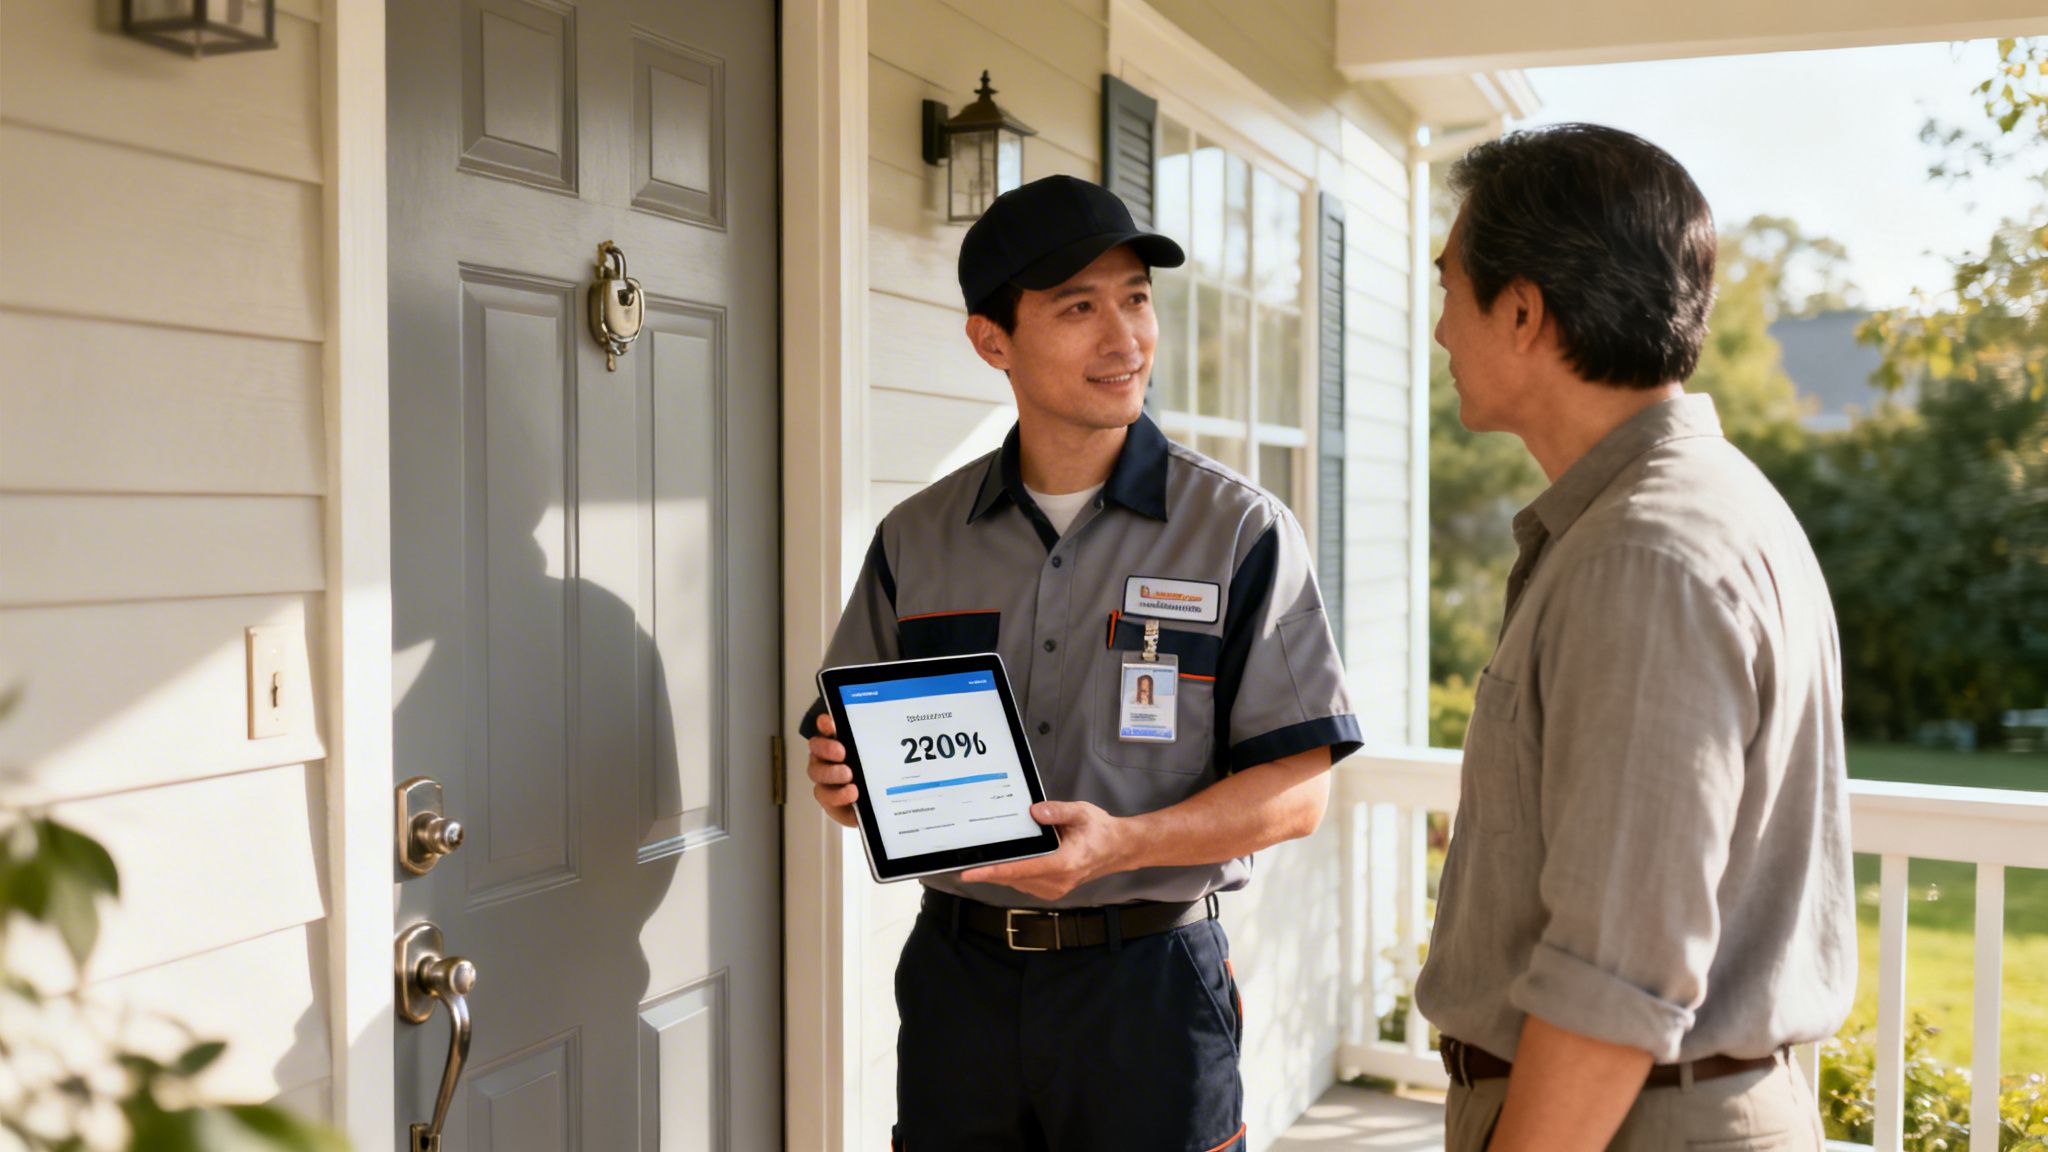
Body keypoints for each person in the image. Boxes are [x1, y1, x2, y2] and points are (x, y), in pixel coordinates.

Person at [799, 174, 1361, 1150]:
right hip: (956, 985)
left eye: (1136, 298)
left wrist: (1122, 845)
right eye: (1078, 307)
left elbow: (1297, 794)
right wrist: (838, 780)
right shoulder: (915, 539)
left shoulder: (1237, 532)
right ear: (991, 341)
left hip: (1146, 991)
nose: (1125, 338)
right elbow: (850, 768)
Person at [1412, 123, 1855, 1152]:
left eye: (1447, 289)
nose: (1437, 331)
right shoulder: (1692, 509)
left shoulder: (1640, 557)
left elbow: (1613, 974)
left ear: (1520, 310)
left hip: (1629, 1125)